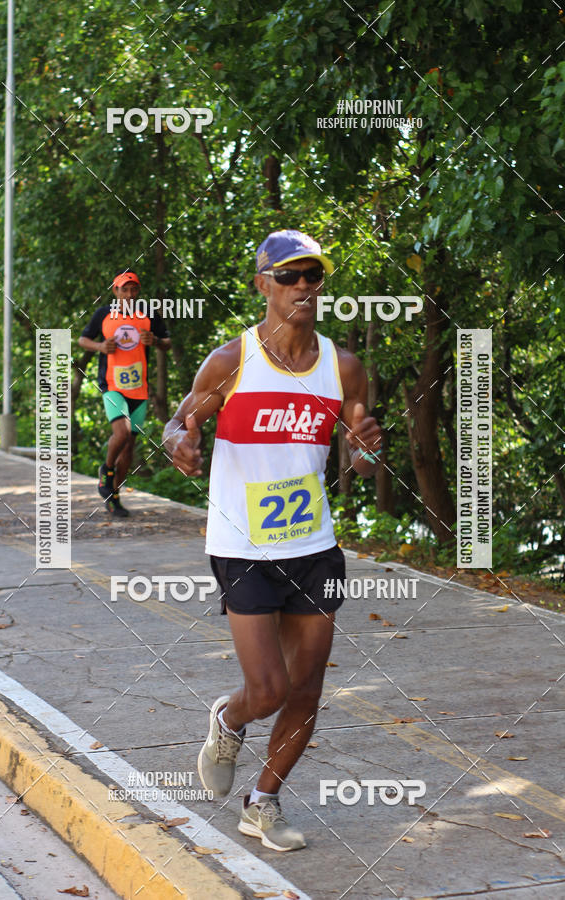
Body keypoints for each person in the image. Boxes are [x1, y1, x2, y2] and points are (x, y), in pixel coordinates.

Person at [163, 229, 382, 851]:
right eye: (289, 276)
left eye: (313, 276)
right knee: (268, 690)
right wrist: (180, 442)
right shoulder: (232, 361)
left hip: (314, 546)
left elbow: (361, 461)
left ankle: (264, 802)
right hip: (242, 544)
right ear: (263, 285)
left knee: (307, 690)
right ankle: (229, 720)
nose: (304, 287)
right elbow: (178, 424)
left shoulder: (343, 367)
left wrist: (367, 452)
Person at [79, 270, 171, 517]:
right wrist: (99, 345)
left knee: (129, 447)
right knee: (121, 431)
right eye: (124, 289)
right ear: (115, 291)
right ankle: (106, 470)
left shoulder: (149, 314)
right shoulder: (104, 314)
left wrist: (156, 341)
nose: (129, 294)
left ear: (137, 292)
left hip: (139, 388)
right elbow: (83, 340)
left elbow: (167, 342)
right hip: (112, 385)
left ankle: (113, 495)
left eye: (133, 289)